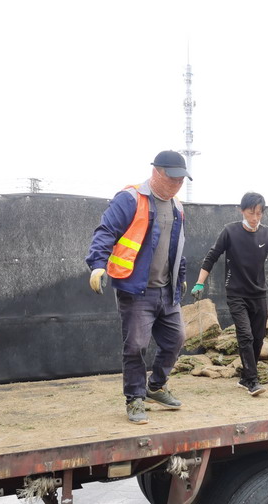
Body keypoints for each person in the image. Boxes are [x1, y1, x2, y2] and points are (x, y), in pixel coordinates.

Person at [85, 150, 190, 424]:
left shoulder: (178, 207)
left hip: (167, 290)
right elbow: (106, 231)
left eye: (181, 179)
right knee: (135, 346)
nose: (178, 183)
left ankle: (156, 386)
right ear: (156, 172)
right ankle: (134, 398)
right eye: (173, 178)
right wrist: (97, 264)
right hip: (136, 290)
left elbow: (178, 247)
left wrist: (180, 275)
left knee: (176, 339)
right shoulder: (131, 199)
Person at [191, 192, 268, 396]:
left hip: (259, 294)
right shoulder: (230, 231)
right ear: (241, 211)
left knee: (258, 338)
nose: (255, 218)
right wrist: (199, 283)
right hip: (236, 294)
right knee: (245, 335)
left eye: (259, 213)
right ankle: (252, 380)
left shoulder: (267, 234)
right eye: (251, 213)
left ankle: (245, 377)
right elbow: (211, 256)